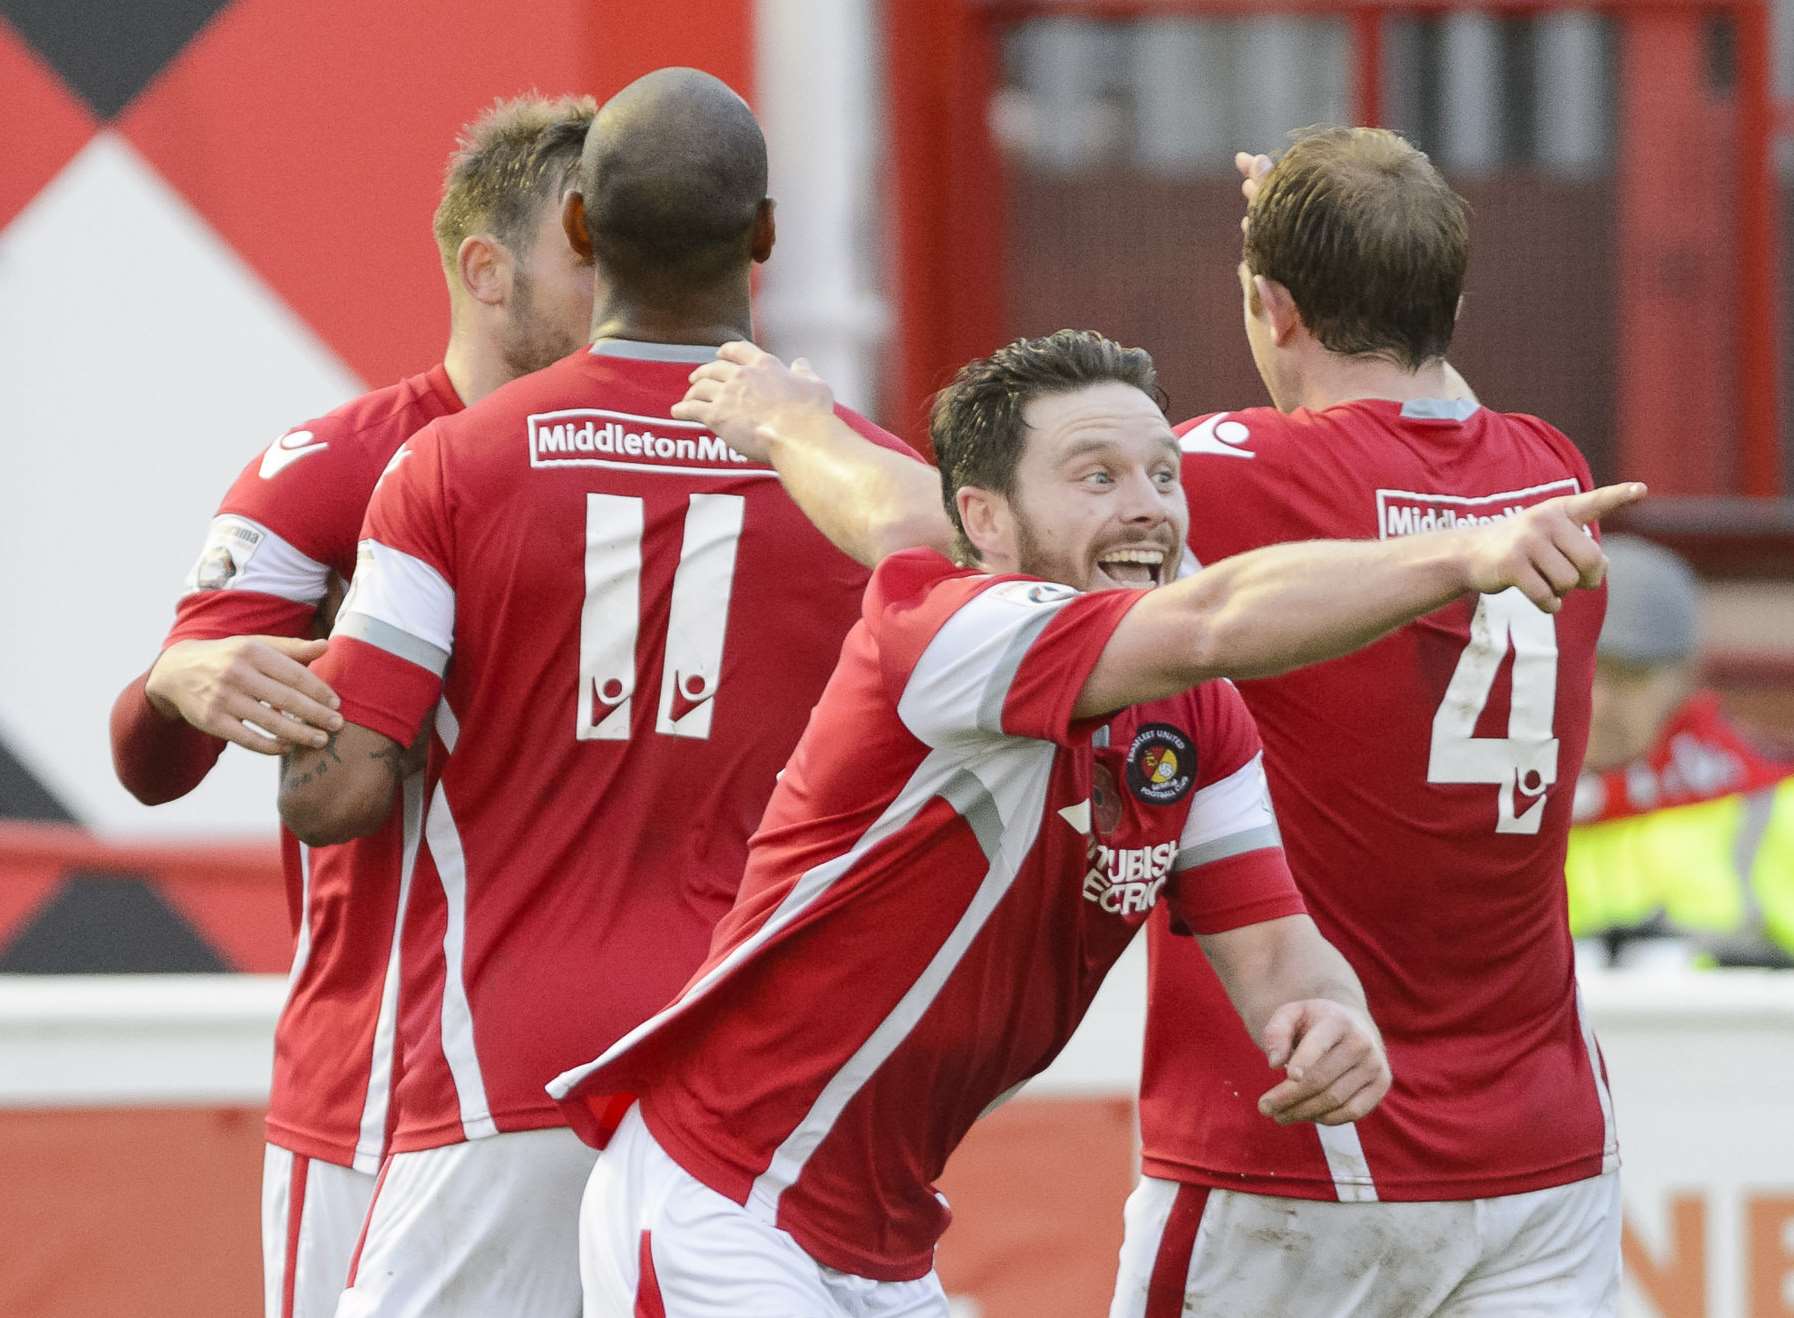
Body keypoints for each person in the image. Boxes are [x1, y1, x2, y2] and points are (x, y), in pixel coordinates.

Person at [668, 128, 1634, 1317]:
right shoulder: (1547, 471)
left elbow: (971, 538)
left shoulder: (1234, 472)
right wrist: (1369, 229)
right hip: (1545, 1143)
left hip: (1299, 1140)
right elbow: (1422, 418)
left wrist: (795, 423)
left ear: (1272, 310)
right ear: (1449, 300)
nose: (1142, 504)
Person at [274, 68, 909, 1318]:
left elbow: (337, 792)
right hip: (754, 1088)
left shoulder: (448, 464)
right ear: (766, 235)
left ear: (578, 229)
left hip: (508, 1074)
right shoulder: (874, 485)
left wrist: (302, 691)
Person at [105, 94, 598, 1318]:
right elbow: (154, 757)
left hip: (627, 1072)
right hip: (382, 1077)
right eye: (593, 249)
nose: (633, 280)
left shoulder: (710, 456)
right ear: (485, 269)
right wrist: (176, 684)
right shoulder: (337, 464)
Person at [1568, 534, 1794, 968]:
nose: (1598, 701)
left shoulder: (1771, 804)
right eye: (1580, 668)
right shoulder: (1492, 803)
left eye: (1629, 675)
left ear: (1687, 676)